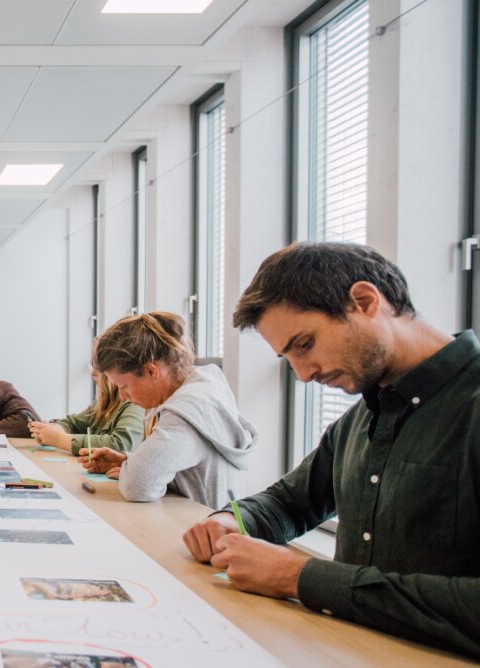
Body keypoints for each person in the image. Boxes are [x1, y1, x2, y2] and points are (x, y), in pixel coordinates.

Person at [182, 242, 480, 660]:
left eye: (304, 344)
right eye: (288, 359)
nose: (303, 374)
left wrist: (301, 578)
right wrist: (232, 521)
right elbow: (290, 503)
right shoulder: (361, 417)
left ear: (364, 301)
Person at [84, 312, 256, 508]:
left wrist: (132, 472)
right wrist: (128, 462)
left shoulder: (186, 412)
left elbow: (138, 486)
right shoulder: (182, 389)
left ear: (151, 371)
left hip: (203, 527)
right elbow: (183, 458)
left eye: (124, 387)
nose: (122, 397)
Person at [29, 370, 144, 456]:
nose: (93, 372)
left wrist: (59, 439)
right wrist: (51, 430)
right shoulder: (103, 402)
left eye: (97, 365)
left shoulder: (135, 403)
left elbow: (120, 445)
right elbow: (73, 423)